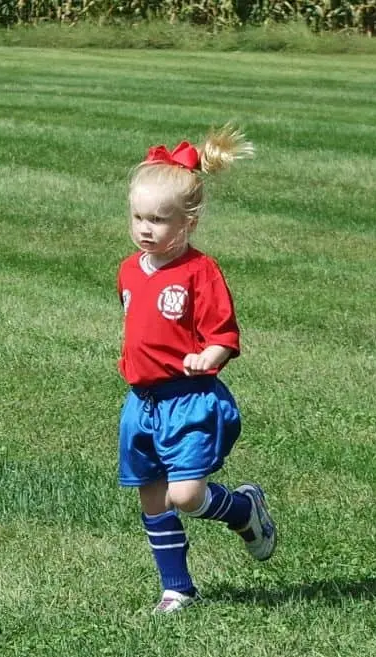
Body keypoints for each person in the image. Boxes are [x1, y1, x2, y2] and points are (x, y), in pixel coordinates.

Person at [117, 125, 276, 614]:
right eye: (139, 217)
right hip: (141, 404)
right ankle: (177, 588)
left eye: (159, 220)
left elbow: (223, 333)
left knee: (186, 496)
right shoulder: (128, 268)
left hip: (189, 401)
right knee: (152, 497)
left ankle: (244, 509)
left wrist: (212, 355)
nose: (147, 229)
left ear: (188, 222)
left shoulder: (200, 272)